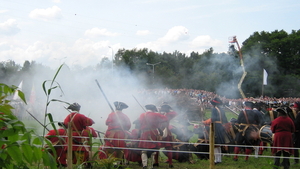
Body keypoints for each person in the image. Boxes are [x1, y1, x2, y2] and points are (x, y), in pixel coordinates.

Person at [138, 104, 168, 169]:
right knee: (153, 150)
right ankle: (151, 166)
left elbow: (139, 123)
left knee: (144, 150)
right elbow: (165, 119)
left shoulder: (142, 115)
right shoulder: (156, 114)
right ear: (154, 109)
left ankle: (144, 165)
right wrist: (160, 114)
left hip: (144, 133)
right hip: (153, 133)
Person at [210, 97, 229, 164]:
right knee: (219, 144)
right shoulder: (221, 110)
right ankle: (219, 159)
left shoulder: (214, 109)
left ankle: (216, 160)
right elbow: (225, 119)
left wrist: (206, 122)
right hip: (221, 126)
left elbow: (213, 119)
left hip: (216, 126)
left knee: (215, 144)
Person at [159, 104, 177, 168]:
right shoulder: (168, 114)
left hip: (159, 132)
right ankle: (170, 163)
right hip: (165, 132)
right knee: (169, 148)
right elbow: (175, 113)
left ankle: (156, 162)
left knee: (157, 147)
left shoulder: (159, 114)